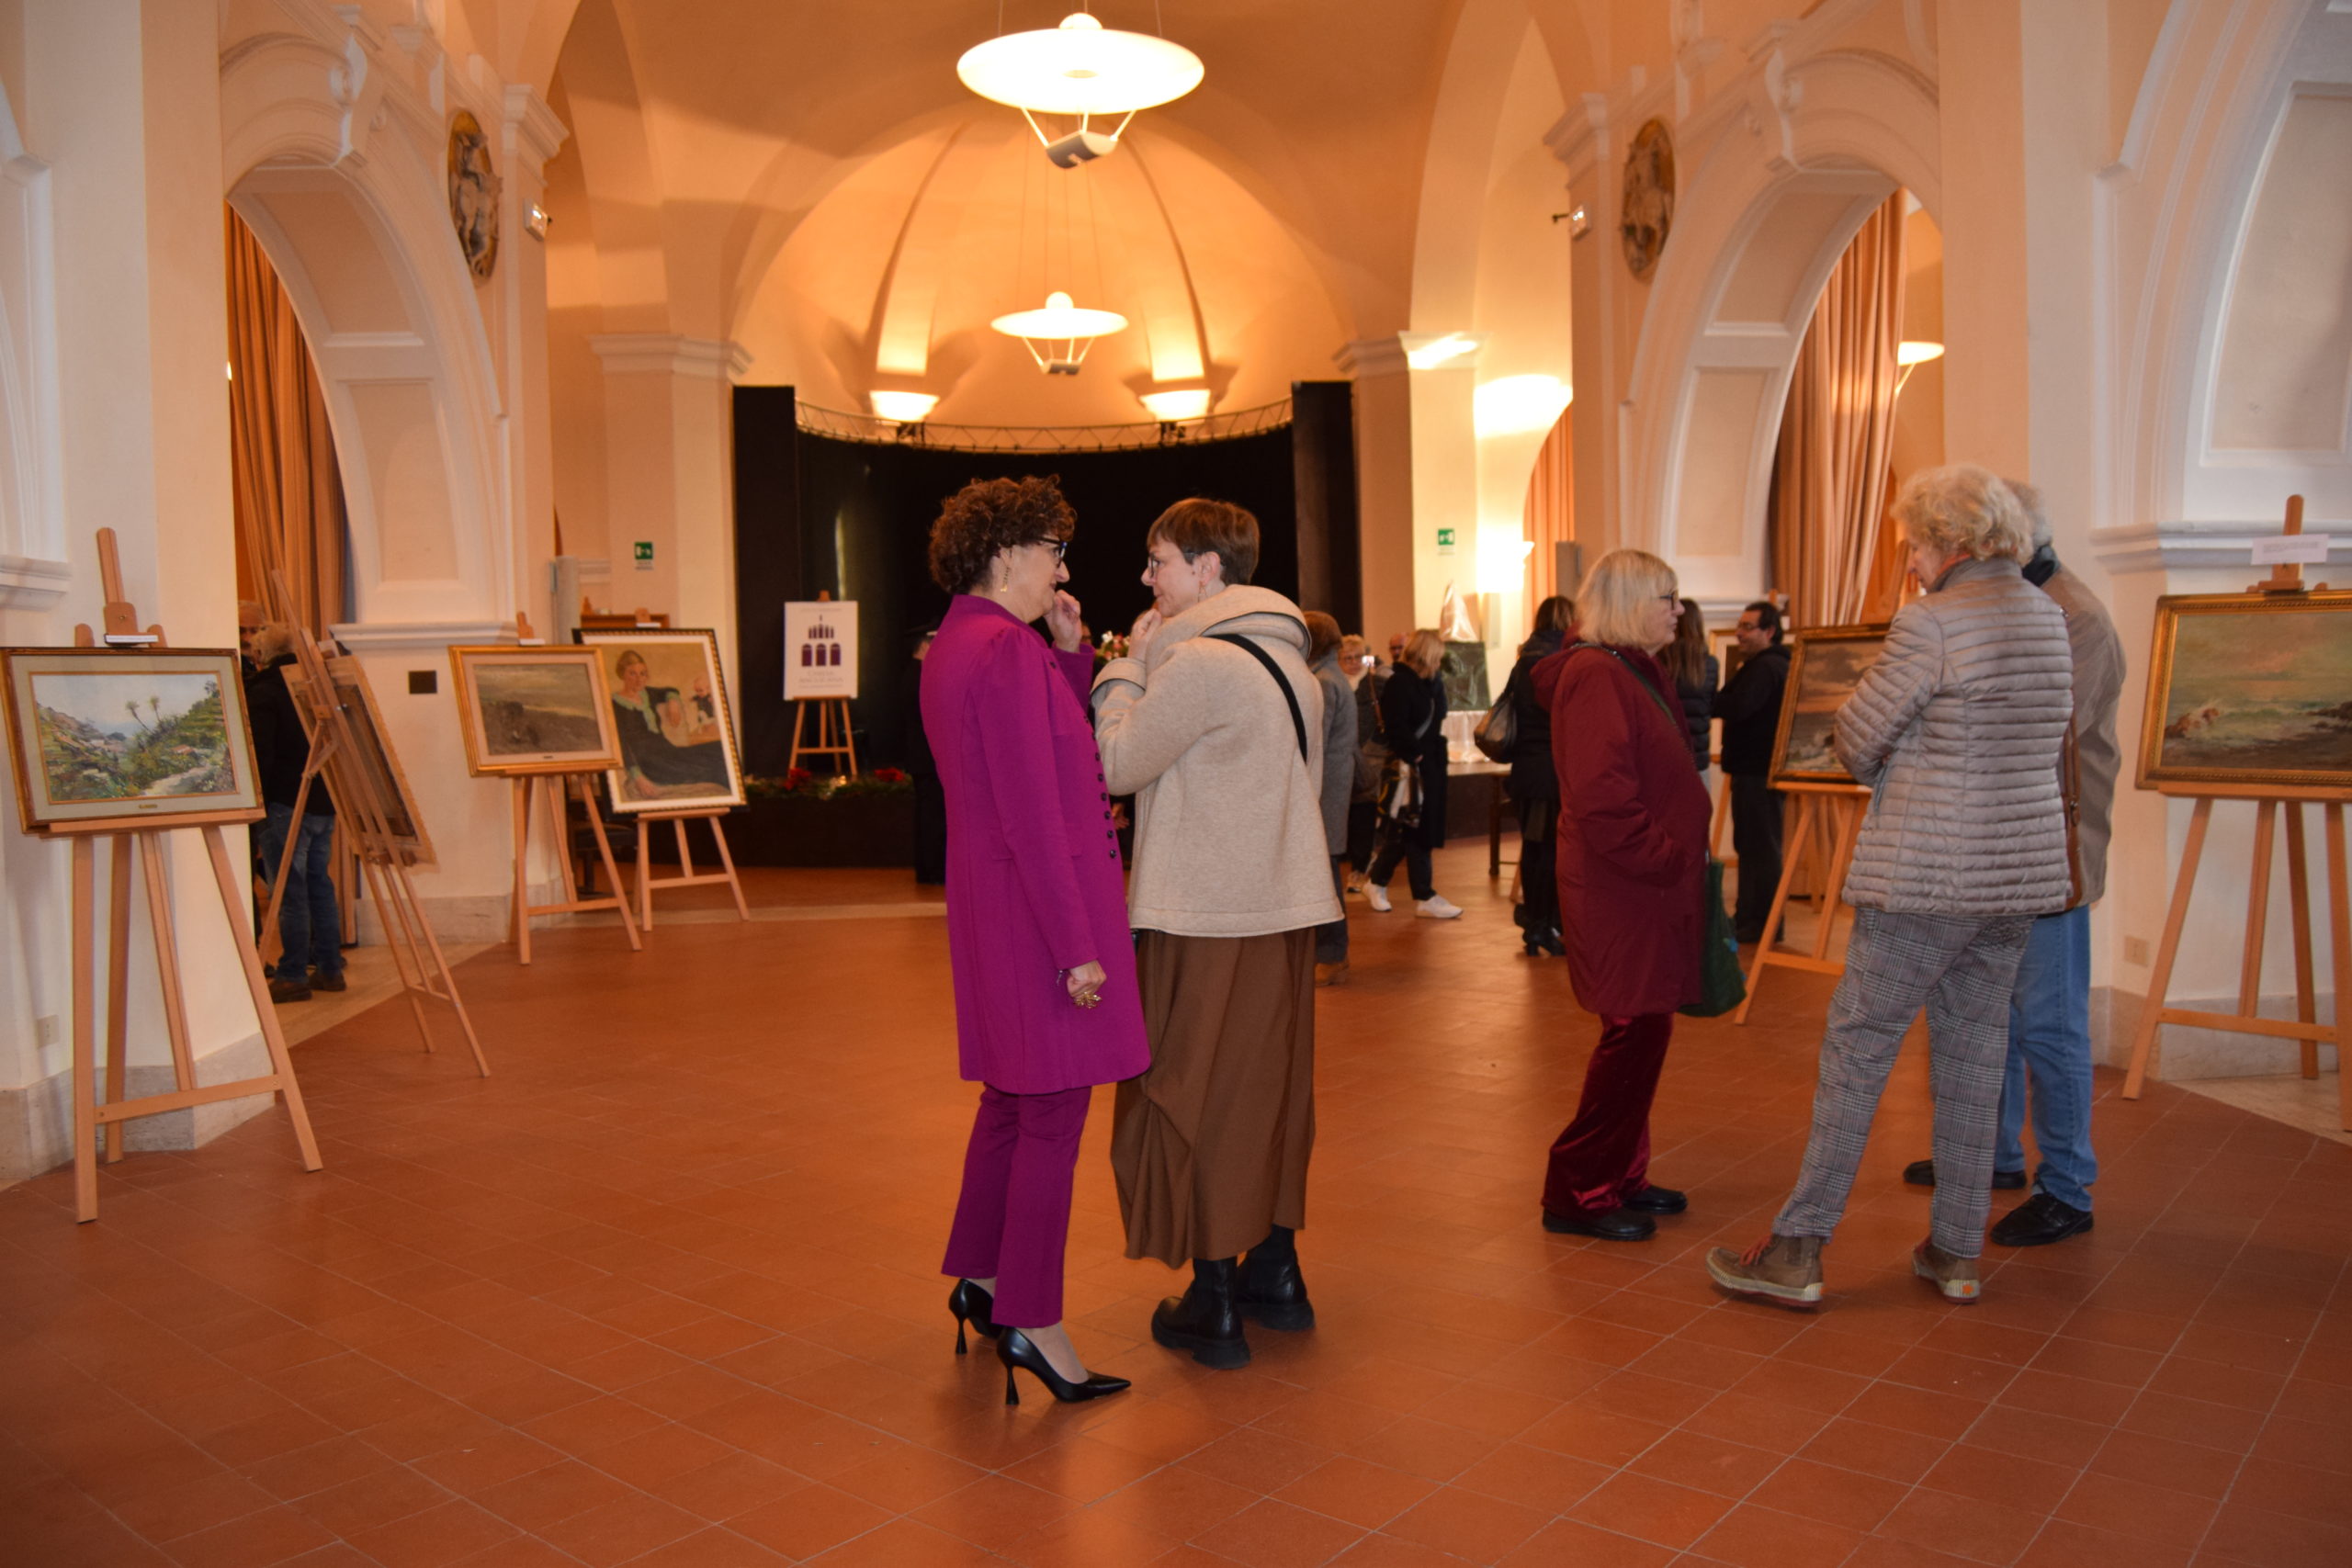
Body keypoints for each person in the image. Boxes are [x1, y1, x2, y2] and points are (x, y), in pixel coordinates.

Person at [1709, 465, 2073, 1307]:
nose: (1910, 561)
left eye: (1914, 544)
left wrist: (1906, 762)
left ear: (1952, 542)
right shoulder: (2047, 617)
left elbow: (1857, 738)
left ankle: (1797, 1248)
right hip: (2013, 879)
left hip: (1924, 875)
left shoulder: (1931, 622)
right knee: (1975, 1055)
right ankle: (1956, 1250)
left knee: (1859, 1048)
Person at [1091, 498, 1338, 1371]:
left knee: (1188, 1092)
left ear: (1208, 570)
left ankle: (1214, 1298)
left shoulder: (1196, 661)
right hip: (1282, 915)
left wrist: (1120, 670)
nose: (1147, 577)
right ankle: (1276, 1271)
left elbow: (1116, 765)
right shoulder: (1296, 668)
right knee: (1269, 1091)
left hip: (1201, 917)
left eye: (1158, 560)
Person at [920, 476, 1148, 1404]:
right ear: (1008, 552)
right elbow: (1033, 813)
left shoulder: (962, 642)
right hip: (1038, 915)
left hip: (992, 909)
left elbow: (1041, 746)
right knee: (1052, 1113)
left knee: (1011, 1103)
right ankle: (1034, 1319)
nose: (1061, 566)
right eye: (1053, 550)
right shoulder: (1003, 652)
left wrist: (1069, 652)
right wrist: (1076, 948)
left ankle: (981, 1278)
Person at [1902, 480, 2124, 1250]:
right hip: (1985, 845)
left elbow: (2035, 732)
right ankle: (1993, 1154)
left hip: (2048, 852)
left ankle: (2066, 1185)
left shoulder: (2075, 617)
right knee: (1977, 1009)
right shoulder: (2002, 606)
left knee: (2049, 1025)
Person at [1528, 555, 1711, 1240]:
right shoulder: (1596, 674)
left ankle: (1622, 1173)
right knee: (1633, 1031)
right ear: (1632, 601)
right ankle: (1578, 1189)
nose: (1679, 610)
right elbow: (1603, 799)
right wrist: (1667, 856)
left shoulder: (1630, 667)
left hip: (1643, 886)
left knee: (1646, 1030)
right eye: (1668, 597)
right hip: (1624, 885)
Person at [245, 625, 345, 1002]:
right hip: (323, 799)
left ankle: (292, 974)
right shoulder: (316, 687)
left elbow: (262, 755)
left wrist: (257, 802)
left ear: (260, 655)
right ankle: (330, 967)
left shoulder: (266, 692)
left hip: (286, 802)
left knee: (290, 889)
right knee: (319, 884)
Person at [1364, 629, 1461, 919]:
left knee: (1411, 829)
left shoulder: (1428, 682)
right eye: (1437, 658)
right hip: (1413, 766)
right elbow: (1396, 726)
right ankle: (1423, 895)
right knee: (1414, 828)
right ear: (1428, 656)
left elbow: (1440, 712)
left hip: (1430, 763)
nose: (1439, 663)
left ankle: (1379, 882)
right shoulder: (1401, 682)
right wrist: (1416, 754)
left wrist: (1436, 681)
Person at [1716, 602, 1791, 944]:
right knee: (1755, 846)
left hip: (1757, 772)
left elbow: (1737, 706)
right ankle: (1754, 920)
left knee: (1759, 848)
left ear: (1769, 631)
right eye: (1740, 626)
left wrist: (1715, 700)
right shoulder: (1766, 665)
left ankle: (1759, 923)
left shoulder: (1765, 668)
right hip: (1758, 771)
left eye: (1748, 627)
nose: (1739, 633)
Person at [1505, 596, 1574, 958]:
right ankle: (1544, 925)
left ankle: (1535, 925)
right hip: (1553, 770)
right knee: (1551, 851)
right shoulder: (1564, 662)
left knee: (1534, 849)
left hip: (1525, 770)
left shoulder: (1523, 661)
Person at [1304, 613, 1359, 987]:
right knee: (1325, 870)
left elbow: (1314, 746)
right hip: (1333, 789)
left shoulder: (1322, 681)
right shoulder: (1332, 675)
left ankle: (1331, 953)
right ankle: (1330, 952)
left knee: (1324, 875)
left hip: (1324, 792)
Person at [607, 649, 729, 799]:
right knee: (712, 770)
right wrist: (637, 777)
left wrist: (673, 702)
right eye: (632, 673)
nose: (639, 679)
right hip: (649, 763)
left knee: (720, 748)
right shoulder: (614, 704)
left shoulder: (647, 693)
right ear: (622, 674)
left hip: (668, 751)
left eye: (643, 673)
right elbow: (621, 744)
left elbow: (669, 690)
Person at [1340, 635, 1380, 887]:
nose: (1354, 663)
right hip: (1344, 757)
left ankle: (1360, 866)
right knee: (1350, 814)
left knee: (1364, 812)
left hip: (1369, 758)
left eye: (1358, 657)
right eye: (1348, 658)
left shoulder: (1375, 682)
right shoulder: (1334, 683)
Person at [908, 624, 945, 885]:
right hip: (926, 758)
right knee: (932, 816)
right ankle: (933, 870)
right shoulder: (920, 675)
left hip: (921, 758)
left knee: (927, 815)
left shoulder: (912, 674)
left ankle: (927, 868)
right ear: (923, 646)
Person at [1662, 599, 1716, 772]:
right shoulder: (1709, 663)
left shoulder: (1661, 660)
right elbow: (1710, 703)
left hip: (1668, 750)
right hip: (1698, 752)